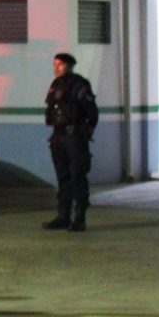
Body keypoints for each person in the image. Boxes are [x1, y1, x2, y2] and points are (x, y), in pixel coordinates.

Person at [44, 52, 99, 231]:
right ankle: (63, 216)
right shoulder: (55, 84)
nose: (56, 68)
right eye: (54, 64)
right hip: (58, 136)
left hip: (74, 137)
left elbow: (92, 113)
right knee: (63, 177)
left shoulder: (80, 85)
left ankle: (80, 218)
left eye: (59, 64)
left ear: (69, 66)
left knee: (77, 176)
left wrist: (85, 132)